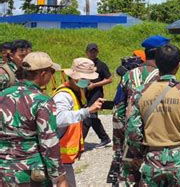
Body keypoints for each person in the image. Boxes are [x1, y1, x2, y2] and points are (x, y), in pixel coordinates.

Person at [125, 44, 180, 186]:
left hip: (151, 161)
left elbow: (132, 131)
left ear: (156, 63)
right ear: (178, 66)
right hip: (179, 163)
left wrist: (137, 154)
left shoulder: (140, 93)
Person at [0, 52, 67, 186]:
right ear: (43, 74)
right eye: (51, 72)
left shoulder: (2, 95)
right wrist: (59, 176)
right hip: (29, 173)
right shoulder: (41, 101)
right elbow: (48, 143)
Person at [113, 35, 169, 185]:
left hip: (130, 140)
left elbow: (118, 112)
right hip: (155, 142)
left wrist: (120, 143)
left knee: (129, 178)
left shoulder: (127, 76)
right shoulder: (163, 77)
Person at [53, 57, 104, 187]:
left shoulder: (77, 91)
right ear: (76, 78)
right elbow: (59, 118)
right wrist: (87, 111)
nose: (89, 82)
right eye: (87, 79)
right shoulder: (63, 95)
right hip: (58, 156)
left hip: (64, 158)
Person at [83, 43, 112, 148]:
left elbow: (109, 79)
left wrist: (94, 85)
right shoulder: (84, 64)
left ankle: (80, 141)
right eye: (91, 51)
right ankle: (104, 138)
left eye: (95, 51)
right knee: (91, 116)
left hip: (96, 94)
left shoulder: (101, 65)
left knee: (89, 116)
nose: (93, 53)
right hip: (85, 94)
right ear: (86, 52)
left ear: (97, 52)